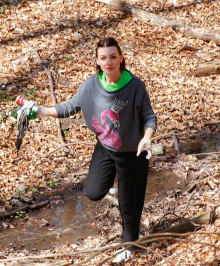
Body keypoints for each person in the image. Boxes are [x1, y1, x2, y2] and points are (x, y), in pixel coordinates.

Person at [33, 37, 157, 243]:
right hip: (106, 148)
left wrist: (146, 138)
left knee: (129, 206)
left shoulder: (135, 86)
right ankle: (116, 183)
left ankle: (129, 247)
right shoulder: (91, 85)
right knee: (92, 192)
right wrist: (44, 111)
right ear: (98, 61)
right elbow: (71, 106)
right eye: (103, 58)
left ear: (121, 59)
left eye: (113, 57)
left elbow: (149, 117)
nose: (108, 62)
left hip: (134, 153)